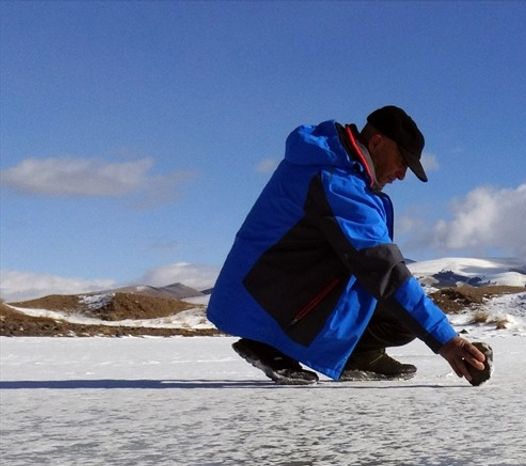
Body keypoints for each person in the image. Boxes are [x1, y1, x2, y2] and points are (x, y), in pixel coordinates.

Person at [207, 106, 490, 386]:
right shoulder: (337, 182)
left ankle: (358, 356)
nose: (402, 174)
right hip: (263, 297)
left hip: (272, 289)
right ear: (377, 142)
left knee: (401, 319)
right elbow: (384, 268)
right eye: (402, 161)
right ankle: (268, 343)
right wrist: (448, 342)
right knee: (398, 297)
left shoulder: (340, 171)